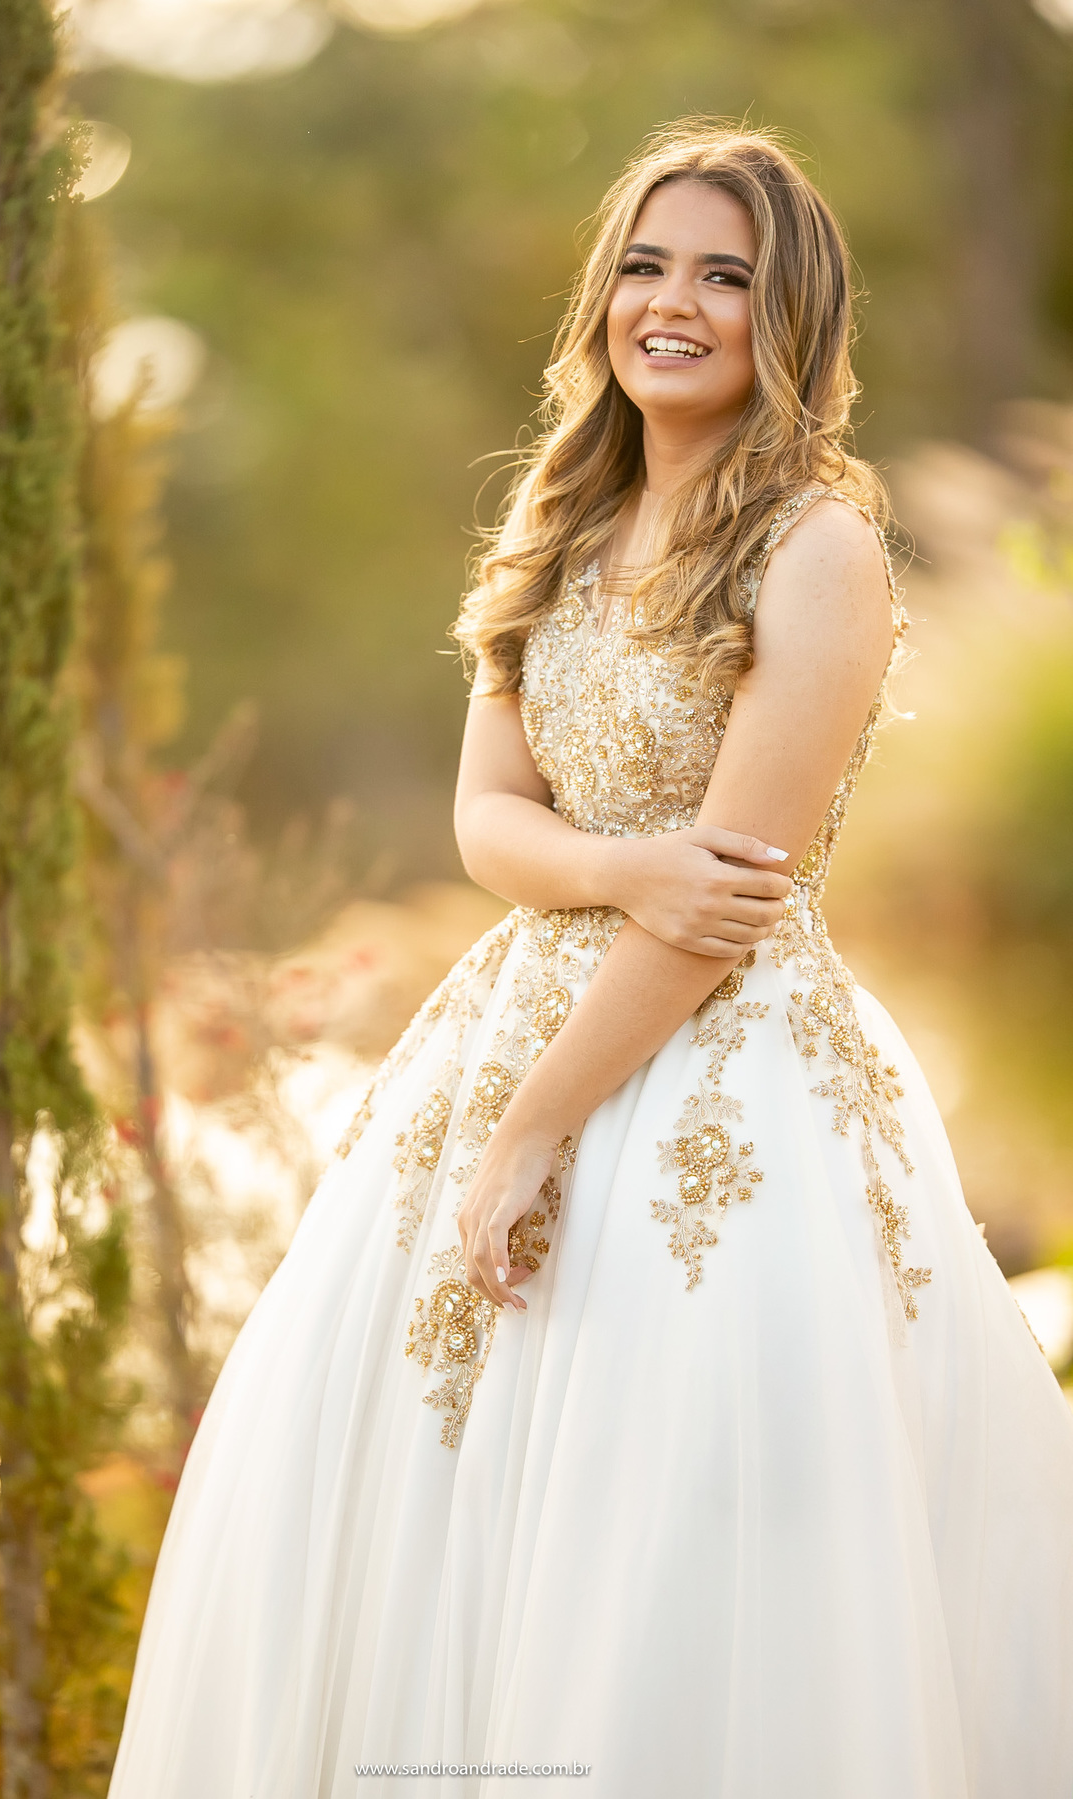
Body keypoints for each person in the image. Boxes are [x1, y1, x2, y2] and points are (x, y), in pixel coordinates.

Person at [107, 122, 1073, 1799]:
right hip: (498, 1045)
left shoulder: (817, 549)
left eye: (725, 275)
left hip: (712, 1073)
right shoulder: (558, 525)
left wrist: (542, 1123)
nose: (674, 304)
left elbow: (728, 908)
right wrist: (619, 863)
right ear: (600, 297)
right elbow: (489, 822)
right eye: (645, 264)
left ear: (795, 321)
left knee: (675, 1523)